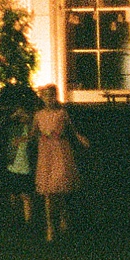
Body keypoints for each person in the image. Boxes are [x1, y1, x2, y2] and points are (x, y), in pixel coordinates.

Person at [32, 85, 89, 242]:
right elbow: (33, 133)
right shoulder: (38, 115)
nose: (49, 99)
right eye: (46, 96)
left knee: (60, 186)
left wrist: (81, 139)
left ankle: (63, 215)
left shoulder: (62, 114)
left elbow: (72, 130)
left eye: (52, 96)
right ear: (42, 98)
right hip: (46, 153)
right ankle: (50, 226)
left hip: (60, 151)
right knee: (48, 191)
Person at [2, 89, 37, 227]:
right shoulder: (13, 126)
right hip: (13, 164)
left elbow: (35, 140)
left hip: (27, 165)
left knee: (26, 195)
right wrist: (12, 116)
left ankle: (29, 222)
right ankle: (16, 219)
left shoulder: (32, 126)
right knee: (13, 194)